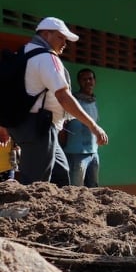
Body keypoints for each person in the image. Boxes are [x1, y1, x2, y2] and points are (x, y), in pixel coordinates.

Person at [7, 17, 108, 185]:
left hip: (31, 126)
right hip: (39, 127)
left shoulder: (25, 52)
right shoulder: (46, 58)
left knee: (60, 174)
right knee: (35, 183)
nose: (65, 44)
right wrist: (93, 126)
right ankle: (24, 211)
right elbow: (63, 96)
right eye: (61, 37)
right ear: (46, 35)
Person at [62, 68, 100, 187]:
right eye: (84, 79)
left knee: (93, 189)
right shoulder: (73, 101)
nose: (88, 81)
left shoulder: (93, 101)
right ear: (79, 81)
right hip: (75, 153)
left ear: (94, 81)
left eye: (90, 78)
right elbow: (62, 125)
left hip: (93, 153)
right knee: (75, 189)